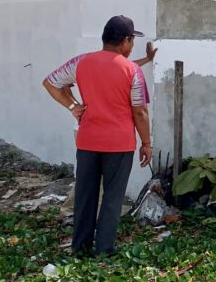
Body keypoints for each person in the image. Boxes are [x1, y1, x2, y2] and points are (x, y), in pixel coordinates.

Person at [42, 16, 156, 257]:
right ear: (125, 41)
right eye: (132, 40)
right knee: (112, 197)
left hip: (88, 140)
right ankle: (104, 250)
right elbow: (140, 111)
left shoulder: (82, 62)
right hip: (119, 143)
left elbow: (51, 83)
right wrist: (146, 143)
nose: (132, 45)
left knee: (85, 194)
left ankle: (80, 247)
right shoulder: (132, 71)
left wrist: (73, 106)